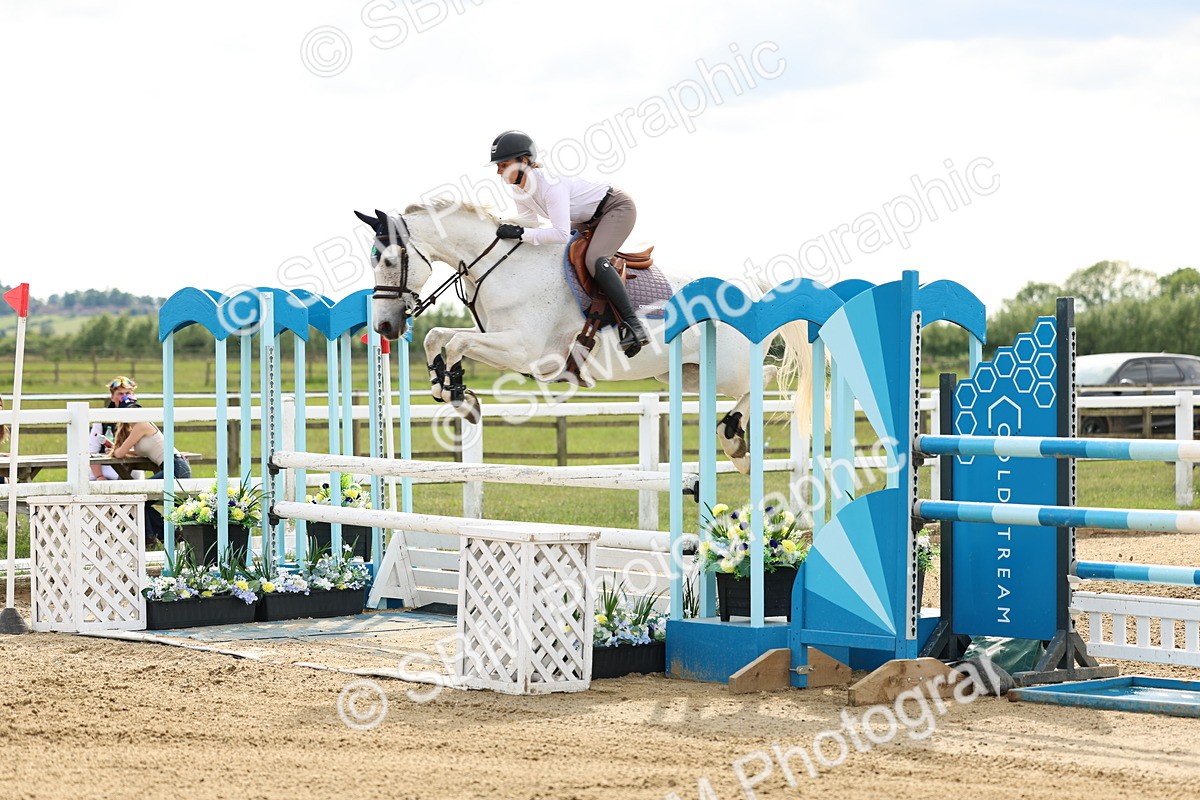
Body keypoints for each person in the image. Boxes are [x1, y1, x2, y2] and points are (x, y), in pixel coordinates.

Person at [489, 129, 651, 357]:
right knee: (560, 257)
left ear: (524, 161)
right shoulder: (519, 190)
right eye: (498, 166)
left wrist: (519, 232)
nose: (498, 171)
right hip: (587, 217)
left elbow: (559, 234)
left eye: (503, 164)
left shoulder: (550, 185)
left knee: (594, 259)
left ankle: (634, 325)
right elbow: (532, 228)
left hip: (616, 208)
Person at [111, 395, 191, 543]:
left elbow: (120, 453)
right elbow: (140, 451)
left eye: (135, 409)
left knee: (137, 498)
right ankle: (166, 535)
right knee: (141, 500)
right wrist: (119, 450)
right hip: (172, 466)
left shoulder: (141, 425)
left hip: (175, 467)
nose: (133, 413)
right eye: (129, 411)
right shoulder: (138, 428)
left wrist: (115, 450)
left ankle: (152, 536)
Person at [89, 376, 137, 481]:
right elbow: (92, 451)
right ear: (112, 397)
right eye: (120, 393)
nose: (124, 397)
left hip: (133, 465)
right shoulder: (101, 419)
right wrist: (99, 476)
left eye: (127, 393)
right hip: (105, 467)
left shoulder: (140, 417)